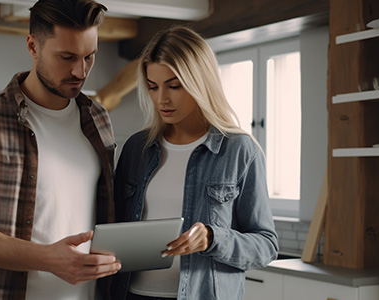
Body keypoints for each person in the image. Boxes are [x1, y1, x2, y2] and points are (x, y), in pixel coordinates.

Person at [0, 0, 121, 299]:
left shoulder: (98, 118)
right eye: (66, 57)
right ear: (33, 46)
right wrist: (48, 258)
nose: (80, 71)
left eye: (90, 56)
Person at [110, 25, 278, 300]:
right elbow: (113, 226)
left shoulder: (239, 151)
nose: (162, 99)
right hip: (132, 294)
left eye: (174, 86)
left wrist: (213, 238)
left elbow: (266, 246)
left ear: (200, 82)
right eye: (153, 87)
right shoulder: (136, 149)